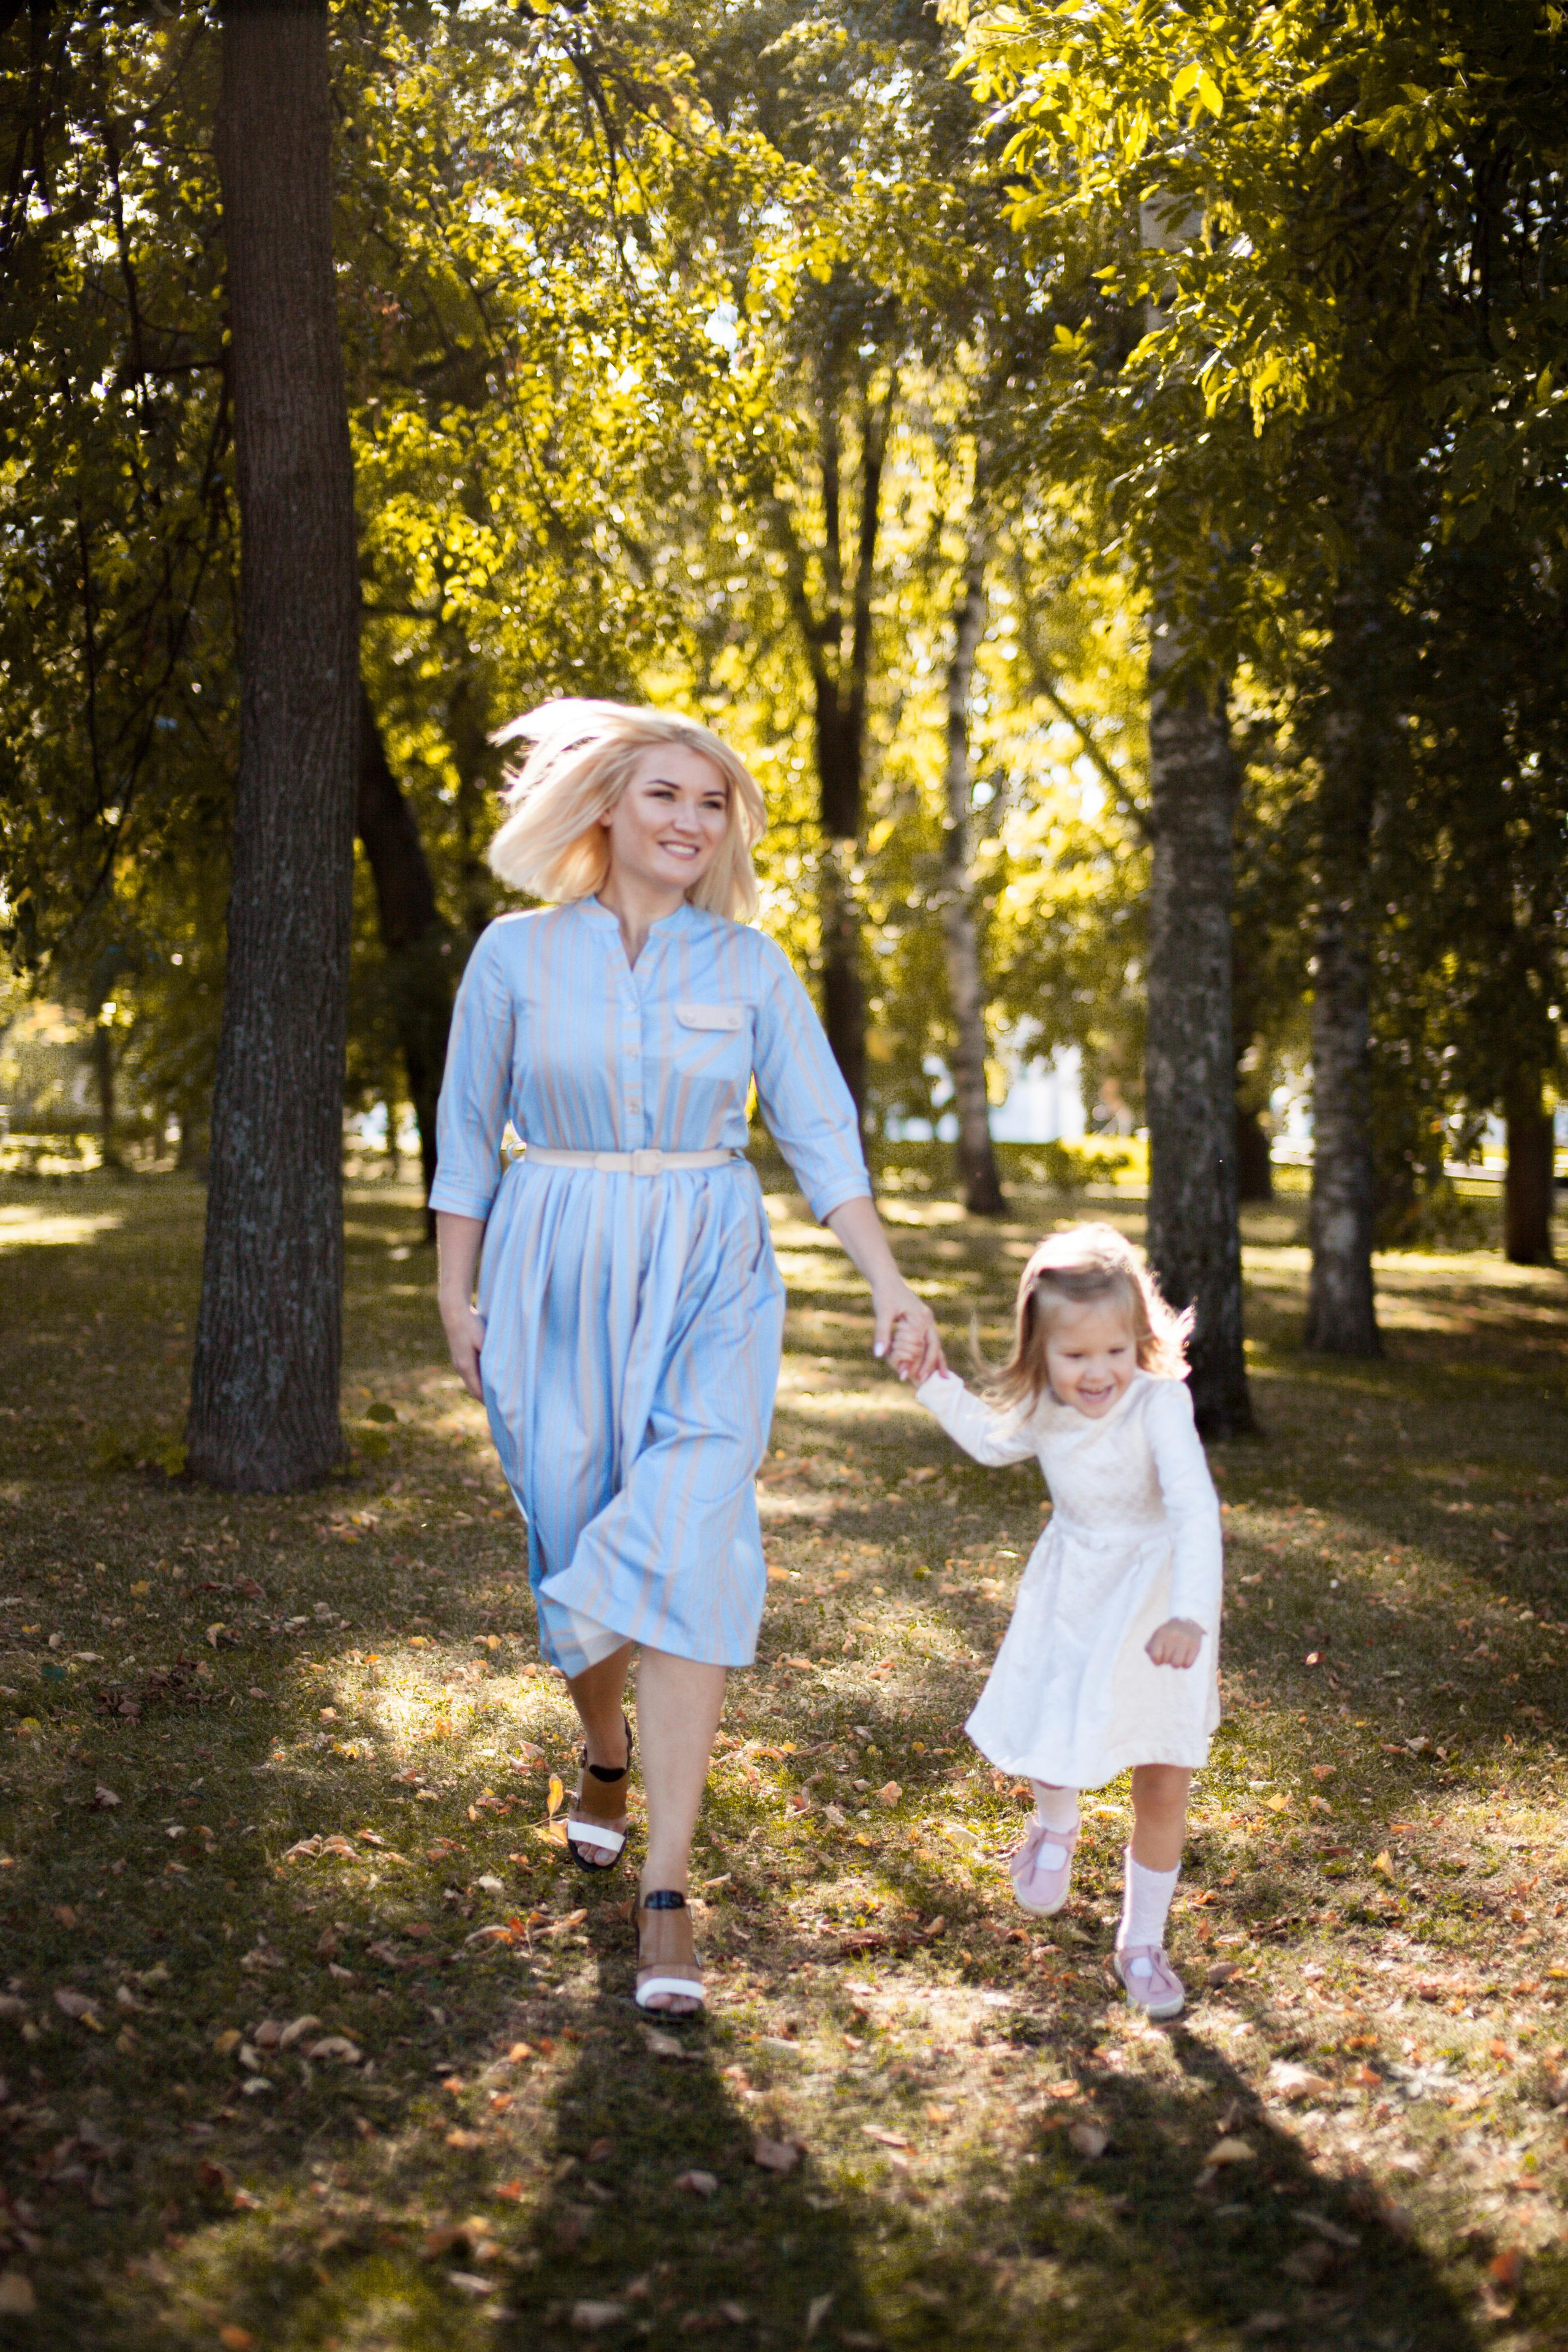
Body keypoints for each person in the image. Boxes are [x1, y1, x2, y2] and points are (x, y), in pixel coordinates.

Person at [430, 700, 943, 2017]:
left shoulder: (750, 965)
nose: (689, 821)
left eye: (711, 803)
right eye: (665, 794)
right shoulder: (512, 955)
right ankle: (601, 1754)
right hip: (551, 1256)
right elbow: (468, 1131)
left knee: (691, 1533)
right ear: (605, 806)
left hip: (711, 1259)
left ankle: (667, 1891)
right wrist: (455, 1290)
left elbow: (822, 1136)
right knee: (572, 1530)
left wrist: (888, 1281)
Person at [891, 1223, 1221, 2021]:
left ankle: (1141, 1942)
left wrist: (1190, 1615)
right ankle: (1056, 1825)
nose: (1098, 1372)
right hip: (1076, 1585)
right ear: (1042, 1352)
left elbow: (1195, 1511)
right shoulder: (1046, 1405)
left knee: (1163, 1769)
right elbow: (988, 1440)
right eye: (1076, 1357)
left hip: (1160, 1600)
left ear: (1140, 1339)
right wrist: (929, 1381)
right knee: (1055, 1712)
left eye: (1115, 1350)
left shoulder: (1160, 1405)